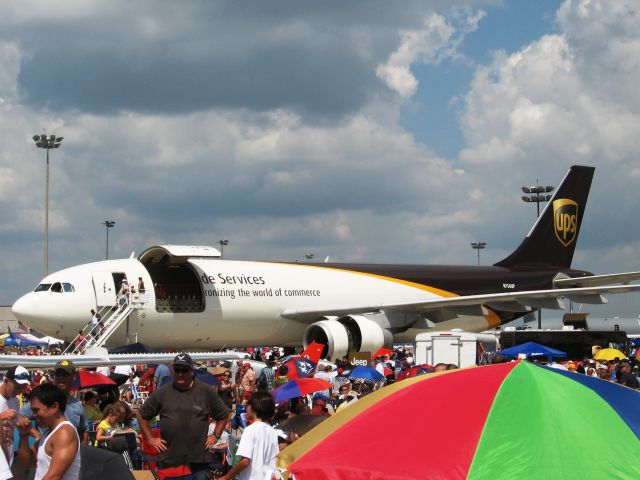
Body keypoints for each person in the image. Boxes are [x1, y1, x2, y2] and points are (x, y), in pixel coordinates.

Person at [137, 353, 229, 479]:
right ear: (173, 370)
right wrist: (150, 438)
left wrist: (216, 435)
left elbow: (224, 415)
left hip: (198, 463)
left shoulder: (205, 391)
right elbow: (142, 415)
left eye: (184, 370)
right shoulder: (163, 392)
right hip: (170, 462)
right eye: (177, 370)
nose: (180, 373)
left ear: (191, 371)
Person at [17, 384, 81, 480]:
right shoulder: (48, 433)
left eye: (36, 410)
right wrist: (23, 436)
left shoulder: (65, 433)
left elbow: (54, 476)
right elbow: (26, 463)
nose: (33, 415)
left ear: (55, 406)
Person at [20, 360, 88, 444]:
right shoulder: (43, 400)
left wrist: (81, 449)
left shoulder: (77, 405)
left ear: (74, 377)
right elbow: (19, 416)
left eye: (64, 375)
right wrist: (36, 434)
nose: (60, 377)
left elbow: (84, 431)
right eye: (58, 374)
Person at [219, 391, 279, 480]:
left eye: (248, 405)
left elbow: (245, 461)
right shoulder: (273, 432)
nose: (246, 408)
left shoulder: (250, 430)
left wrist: (227, 477)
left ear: (253, 408)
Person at [0, 365, 31, 466]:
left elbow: (15, 420)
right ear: (7, 381)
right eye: (17, 387)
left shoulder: (15, 400)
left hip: (7, 458)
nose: (18, 392)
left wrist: (24, 423)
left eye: (22, 388)